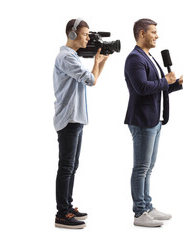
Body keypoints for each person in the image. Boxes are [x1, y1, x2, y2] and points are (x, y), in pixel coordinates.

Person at [124, 18, 183, 227]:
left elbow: (159, 87)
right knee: (141, 168)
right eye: (153, 32)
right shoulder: (134, 59)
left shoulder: (149, 57)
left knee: (148, 167)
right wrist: (166, 81)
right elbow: (142, 88)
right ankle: (139, 213)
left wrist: (178, 82)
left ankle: (147, 206)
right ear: (142, 33)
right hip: (142, 120)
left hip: (154, 120)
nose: (157, 36)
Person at [53, 18, 109, 229]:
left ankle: (67, 207)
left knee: (72, 166)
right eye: (85, 34)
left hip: (75, 117)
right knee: (66, 166)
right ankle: (62, 213)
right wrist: (96, 62)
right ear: (73, 34)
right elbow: (90, 80)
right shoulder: (67, 57)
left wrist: (101, 61)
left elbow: (92, 79)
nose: (88, 38)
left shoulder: (72, 57)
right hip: (69, 117)